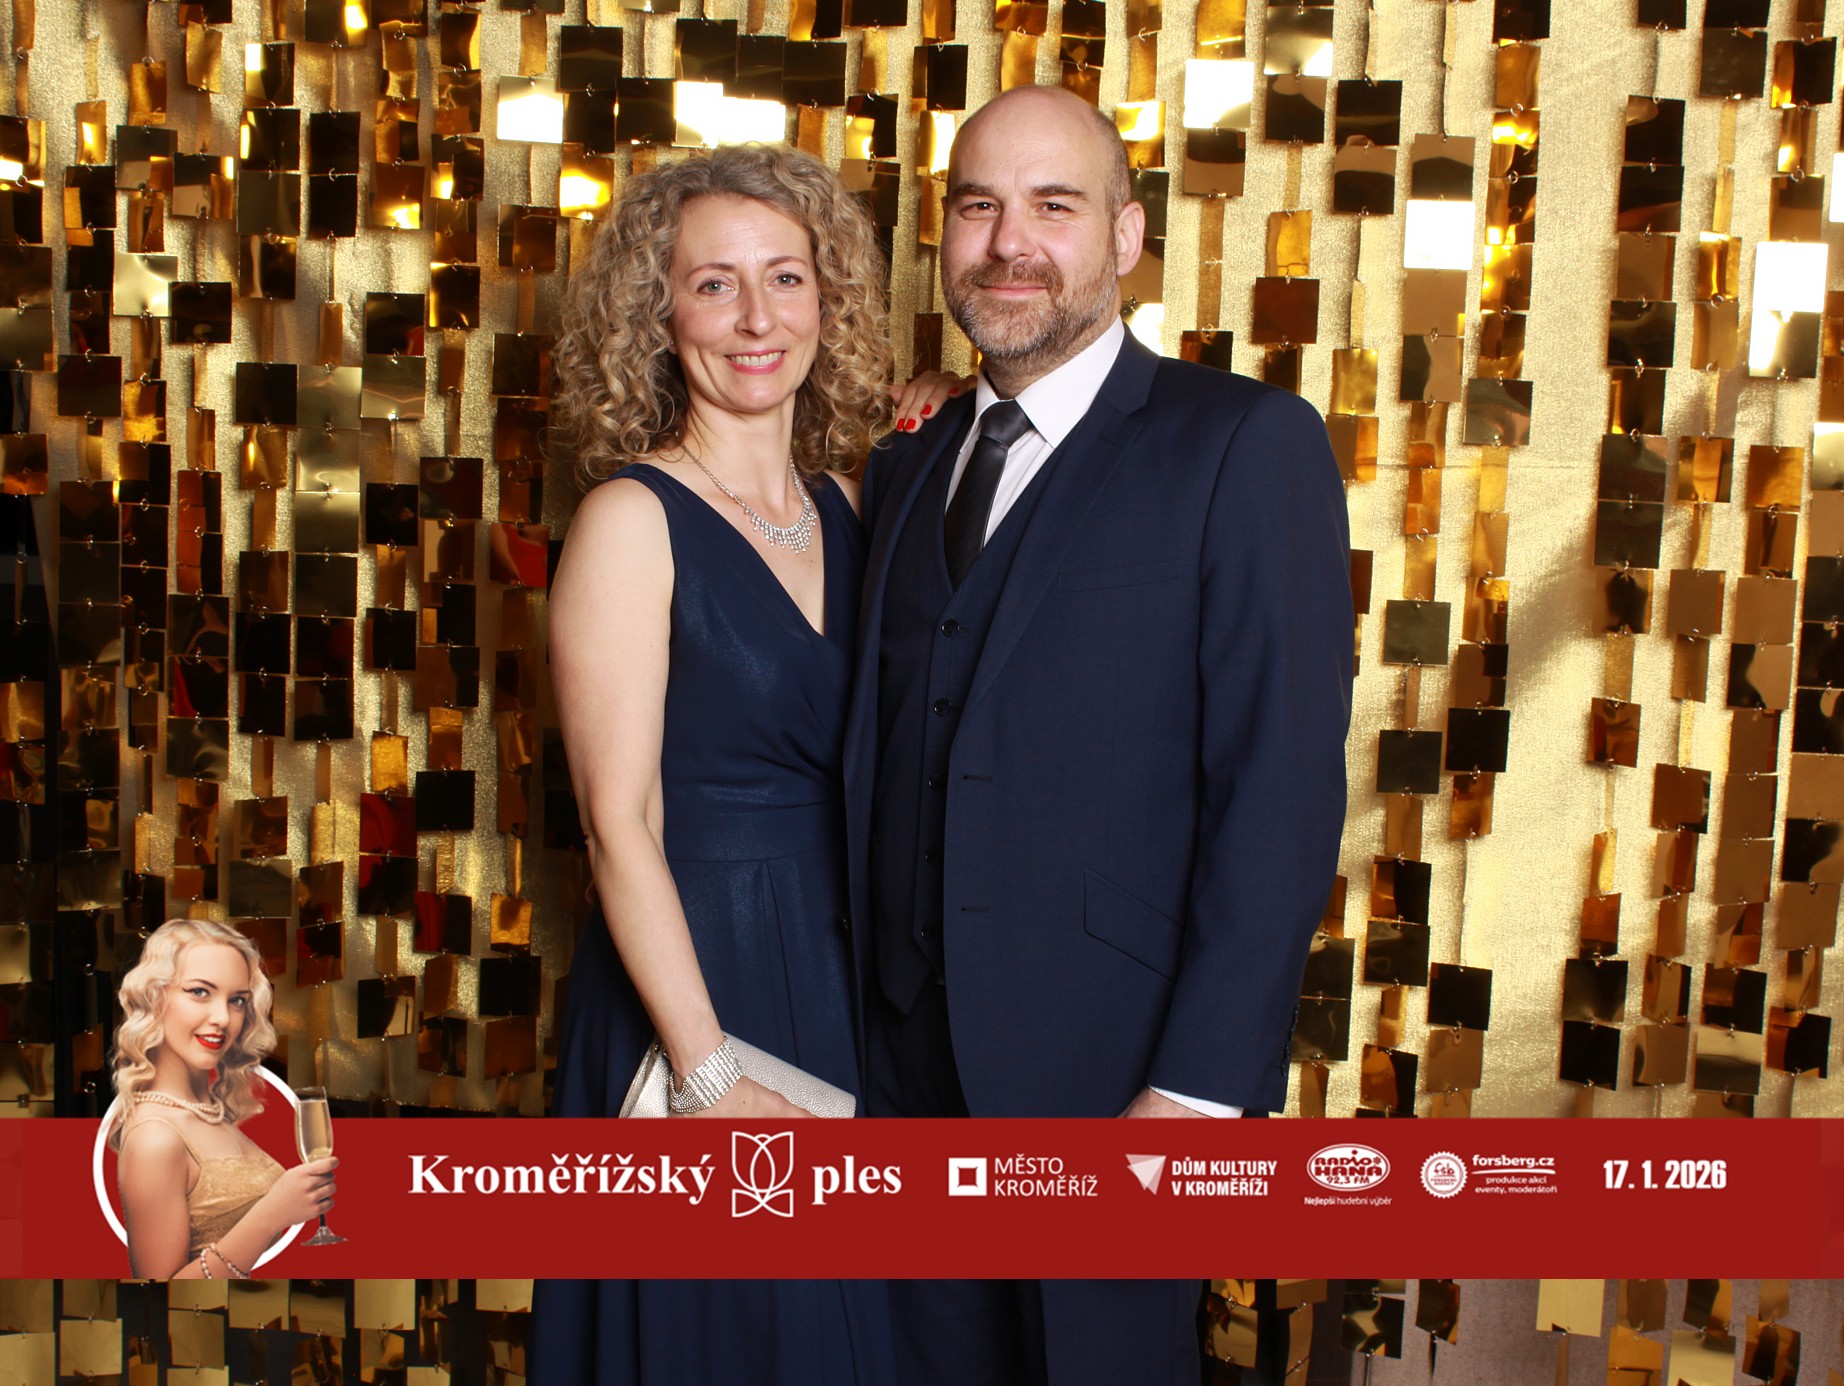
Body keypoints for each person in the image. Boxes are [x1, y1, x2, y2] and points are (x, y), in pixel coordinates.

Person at [845, 86, 1354, 1384]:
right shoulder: (904, 461)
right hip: (893, 1082)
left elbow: (1280, 790)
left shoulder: (1243, 444)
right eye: (978, 207)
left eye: (1054, 206)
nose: (1009, 242)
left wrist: (1195, 1093)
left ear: (1125, 238)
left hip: (1111, 1079)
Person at [531, 143, 954, 1385]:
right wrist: (707, 1074)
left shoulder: (852, 505)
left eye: (786, 277)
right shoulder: (628, 520)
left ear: (829, 300)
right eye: (714, 285)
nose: (757, 319)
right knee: (718, 1334)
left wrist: (951, 414)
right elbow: (616, 825)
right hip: (694, 985)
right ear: (658, 314)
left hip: (840, 977)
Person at [110, 917, 338, 1280]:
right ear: (154, 996)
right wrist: (271, 1215)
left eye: (237, 1001)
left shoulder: (212, 1112)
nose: (222, 1018)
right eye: (200, 992)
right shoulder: (155, 1138)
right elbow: (162, 1294)